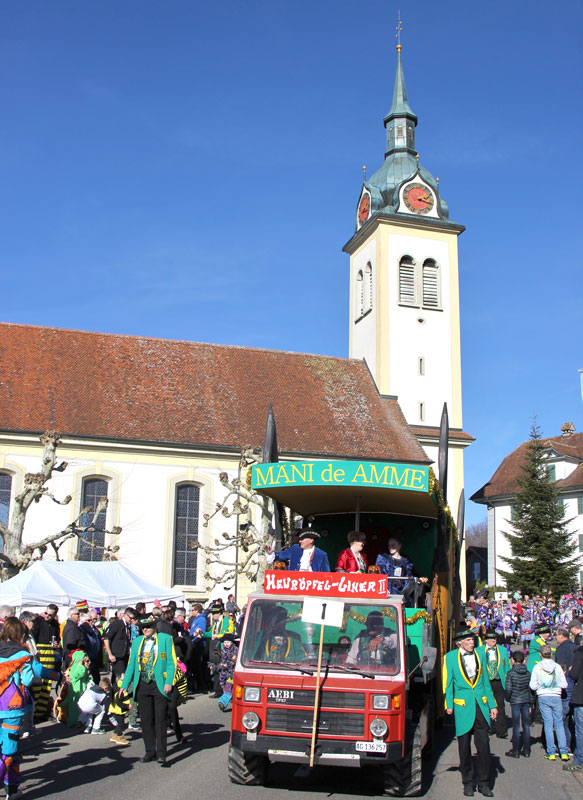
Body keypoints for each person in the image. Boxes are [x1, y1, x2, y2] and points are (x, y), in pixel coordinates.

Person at [0, 617, 59, 799]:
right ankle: (11, 789)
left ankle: (13, 789)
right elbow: (32, 676)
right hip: (13, 707)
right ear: (21, 635)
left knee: (9, 751)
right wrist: (59, 676)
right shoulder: (24, 655)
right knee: (9, 751)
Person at [443, 627, 497, 798]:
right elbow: (448, 682)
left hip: (481, 705)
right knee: (464, 748)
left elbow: (486, 682)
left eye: (473, 640)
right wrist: (449, 704)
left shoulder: (480, 655)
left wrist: (493, 705)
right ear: (460, 642)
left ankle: (484, 783)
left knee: (484, 746)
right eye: (468, 640)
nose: (471, 642)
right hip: (462, 706)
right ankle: (467, 783)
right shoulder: (450, 657)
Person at [120, 615, 177, 767]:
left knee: (160, 720)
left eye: (149, 627)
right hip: (142, 685)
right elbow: (131, 665)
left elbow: (172, 662)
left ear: (154, 627)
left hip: (159, 684)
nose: (145, 630)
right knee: (146, 721)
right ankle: (149, 751)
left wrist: (169, 682)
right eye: (143, 628)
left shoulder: (165, 639)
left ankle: (162, 753)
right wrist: (124, 685)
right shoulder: (138, 642)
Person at [529, 644, 569, 761]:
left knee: (548, 723)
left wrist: (540, 686)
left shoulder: (537, 667)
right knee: (559, 724)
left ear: (540, 655)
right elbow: (564, 684)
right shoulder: (557, 667)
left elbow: (533, 685)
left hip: (543, 696)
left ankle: (551, 752)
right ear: (551, 654)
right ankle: (564, 751)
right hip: (556, 696)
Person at [476, 628, 510, 739]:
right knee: (486, 705)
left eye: (494, 638)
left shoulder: (503, 650)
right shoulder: (479, 651)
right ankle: (489, 727)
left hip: (498, 682)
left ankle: (501, 730)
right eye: (490, 638)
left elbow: (507, 667)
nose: (493, 640)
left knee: (500, 706)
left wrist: (508, 681)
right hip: (485, 683)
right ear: (485, 640)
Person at [30, 604, 61, 723]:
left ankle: (40, 713)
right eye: (46, 613)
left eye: (50, 615)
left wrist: (56, 644)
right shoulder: (38, 621)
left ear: (54, 615)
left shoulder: (54, 625)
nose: (47, 616)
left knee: (47, 687)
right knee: (37, 685)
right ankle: (32, 714)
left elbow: (57, 639)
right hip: (40, 656)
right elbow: (32, 636)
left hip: (50, 656)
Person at [504, 650, 532, 758]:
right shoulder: (528, 673)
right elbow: (530, 689)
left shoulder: (511, 674)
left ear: (512, 660)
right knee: (526, 725)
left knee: (516, 726)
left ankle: (515, 750)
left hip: (515, 700)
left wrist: (508, 698)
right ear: (524, 661)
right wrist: (531, 701)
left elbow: (508, 689)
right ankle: (526, 750)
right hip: (526, 700)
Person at [264, 529, 331, 572]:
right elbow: (280, 555)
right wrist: (271, 553)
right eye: (300, 539)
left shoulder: (321, 555)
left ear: (311, 540)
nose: (300, 541)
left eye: (303, 539)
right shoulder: (295, 549)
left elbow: (326, 575)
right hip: (295, 586)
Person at [564, 642, 583, 772]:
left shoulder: (580, 653)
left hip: (581, 697)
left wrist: (571, 670)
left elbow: (575, 674)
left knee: (581, 730)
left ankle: (579, 761)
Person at [103, 607, 135, 681]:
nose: (132, 620)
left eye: (133, 618)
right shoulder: (117, 624)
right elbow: (106, 638)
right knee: (120, 678)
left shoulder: (127, 626)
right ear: (125, 615)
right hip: (117, 656)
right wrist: (110, 654)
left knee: (122, 677)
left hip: (124, 656)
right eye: (130, 618)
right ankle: (118, 692)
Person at [64, 650, 91, 729]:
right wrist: (81, 666)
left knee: (81, 707)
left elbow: (86, 677)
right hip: (75, 691)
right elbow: (79, 674)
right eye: (83, 658)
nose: (85, 659)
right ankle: (73, 722)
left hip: (81, 691)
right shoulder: (76, 668)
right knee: (75, 708)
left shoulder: (81, 667)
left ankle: (81, 720)